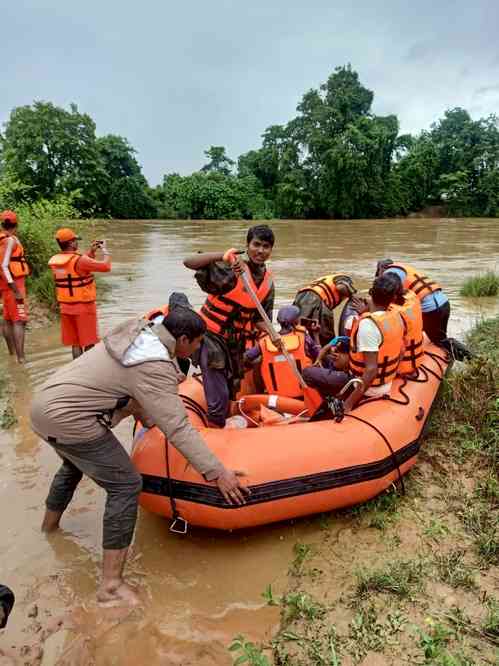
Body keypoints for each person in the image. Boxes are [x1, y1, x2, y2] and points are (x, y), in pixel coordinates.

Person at [30, 307, 248, 606]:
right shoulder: (154, 365)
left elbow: (129, 393)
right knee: (126, 484)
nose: (198, 350)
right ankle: (110, 586)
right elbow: (179, 428)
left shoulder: (137, 333)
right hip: (72, 420)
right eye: (197, 343)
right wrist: (217, 472)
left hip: (44, 407)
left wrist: (148, 419)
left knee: (73, 465)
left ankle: (49, 529)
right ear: (182, 339)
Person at [183, 224, 275, 428]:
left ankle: (223, 422)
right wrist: (223, 256)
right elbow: (189, 262)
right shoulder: (232, 268)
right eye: (256, 245)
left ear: (271, 250)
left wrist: (273, 333)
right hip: (210, 337)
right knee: (218, 395)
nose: (260, 251)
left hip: (235, 343)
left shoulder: (268, 283)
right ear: (248, 245)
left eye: (266, 246)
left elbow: (260, 318)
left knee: (231, 388)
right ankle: (216, 431)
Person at [303, 275, 404, 413]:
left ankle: (328, 405)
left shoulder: (368, 325)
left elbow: (371, 371)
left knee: (308, 372)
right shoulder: (395, 316)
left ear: (371, 292)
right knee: (332, 359)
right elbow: (401, 351)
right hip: (386, 382)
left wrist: (349, 404)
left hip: (368, 387)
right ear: (393, 299)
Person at [48, 228, 111, 359]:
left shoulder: (56, 261)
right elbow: (106, 266)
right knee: (89, 342)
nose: (77, 243)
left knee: (75, 343)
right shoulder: (80, 260)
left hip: (65, 307)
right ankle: (88, 372)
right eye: (75, 240)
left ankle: (76, 369)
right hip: (84, 307)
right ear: (71, 243)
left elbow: (78, 266)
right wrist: (105, 250)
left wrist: (92, 251)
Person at [245, 305, 320, 398]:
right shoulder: (304, 338)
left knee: (259, 362)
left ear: (278, 321)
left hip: (276, 397)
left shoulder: (264, 342)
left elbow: (247, 358)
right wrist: (316, 335)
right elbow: (319, 355)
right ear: (296, 321)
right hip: (302, 396)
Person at [375, 259, 450, 345]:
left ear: (381, 269)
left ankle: (465, 355)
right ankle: (455, 354)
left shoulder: (389, 275)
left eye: (379, 274)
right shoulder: (403, 269)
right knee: (442, 338)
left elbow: (391, 299)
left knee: (439, 341)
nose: (380, 277)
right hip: (444, 302)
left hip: (432, 310)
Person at [0, 210, 30, 363]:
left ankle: (12, 355)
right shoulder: (10, 240)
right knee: (19, 321)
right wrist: (16, 289)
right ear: (16, 224)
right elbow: (4, 265)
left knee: (7, 319)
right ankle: (21, 360)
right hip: (14, 284)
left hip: (4, 285)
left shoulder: (2, 238)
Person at [293, 273, 356, 345]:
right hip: (316, 299)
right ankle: (328, 351)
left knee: (300, 326)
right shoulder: (344, 279)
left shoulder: (328, 279)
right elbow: (340, 287)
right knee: (325, 333)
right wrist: (351, 295)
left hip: (300, 297)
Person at [386, 274, 425, 377]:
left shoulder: (394, 314)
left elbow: (400, 348)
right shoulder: (411, 297)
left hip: (402, 366)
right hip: (415, 360)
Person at [145, 292, 192, 375]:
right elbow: (163, 345)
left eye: (184, 309)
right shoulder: (159, 320)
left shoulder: (180, 316)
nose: (182, 312)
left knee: (185, 362)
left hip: (164, 345)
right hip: (150, 349)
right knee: (181, 363)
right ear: (172, 309)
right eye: (179, 309)